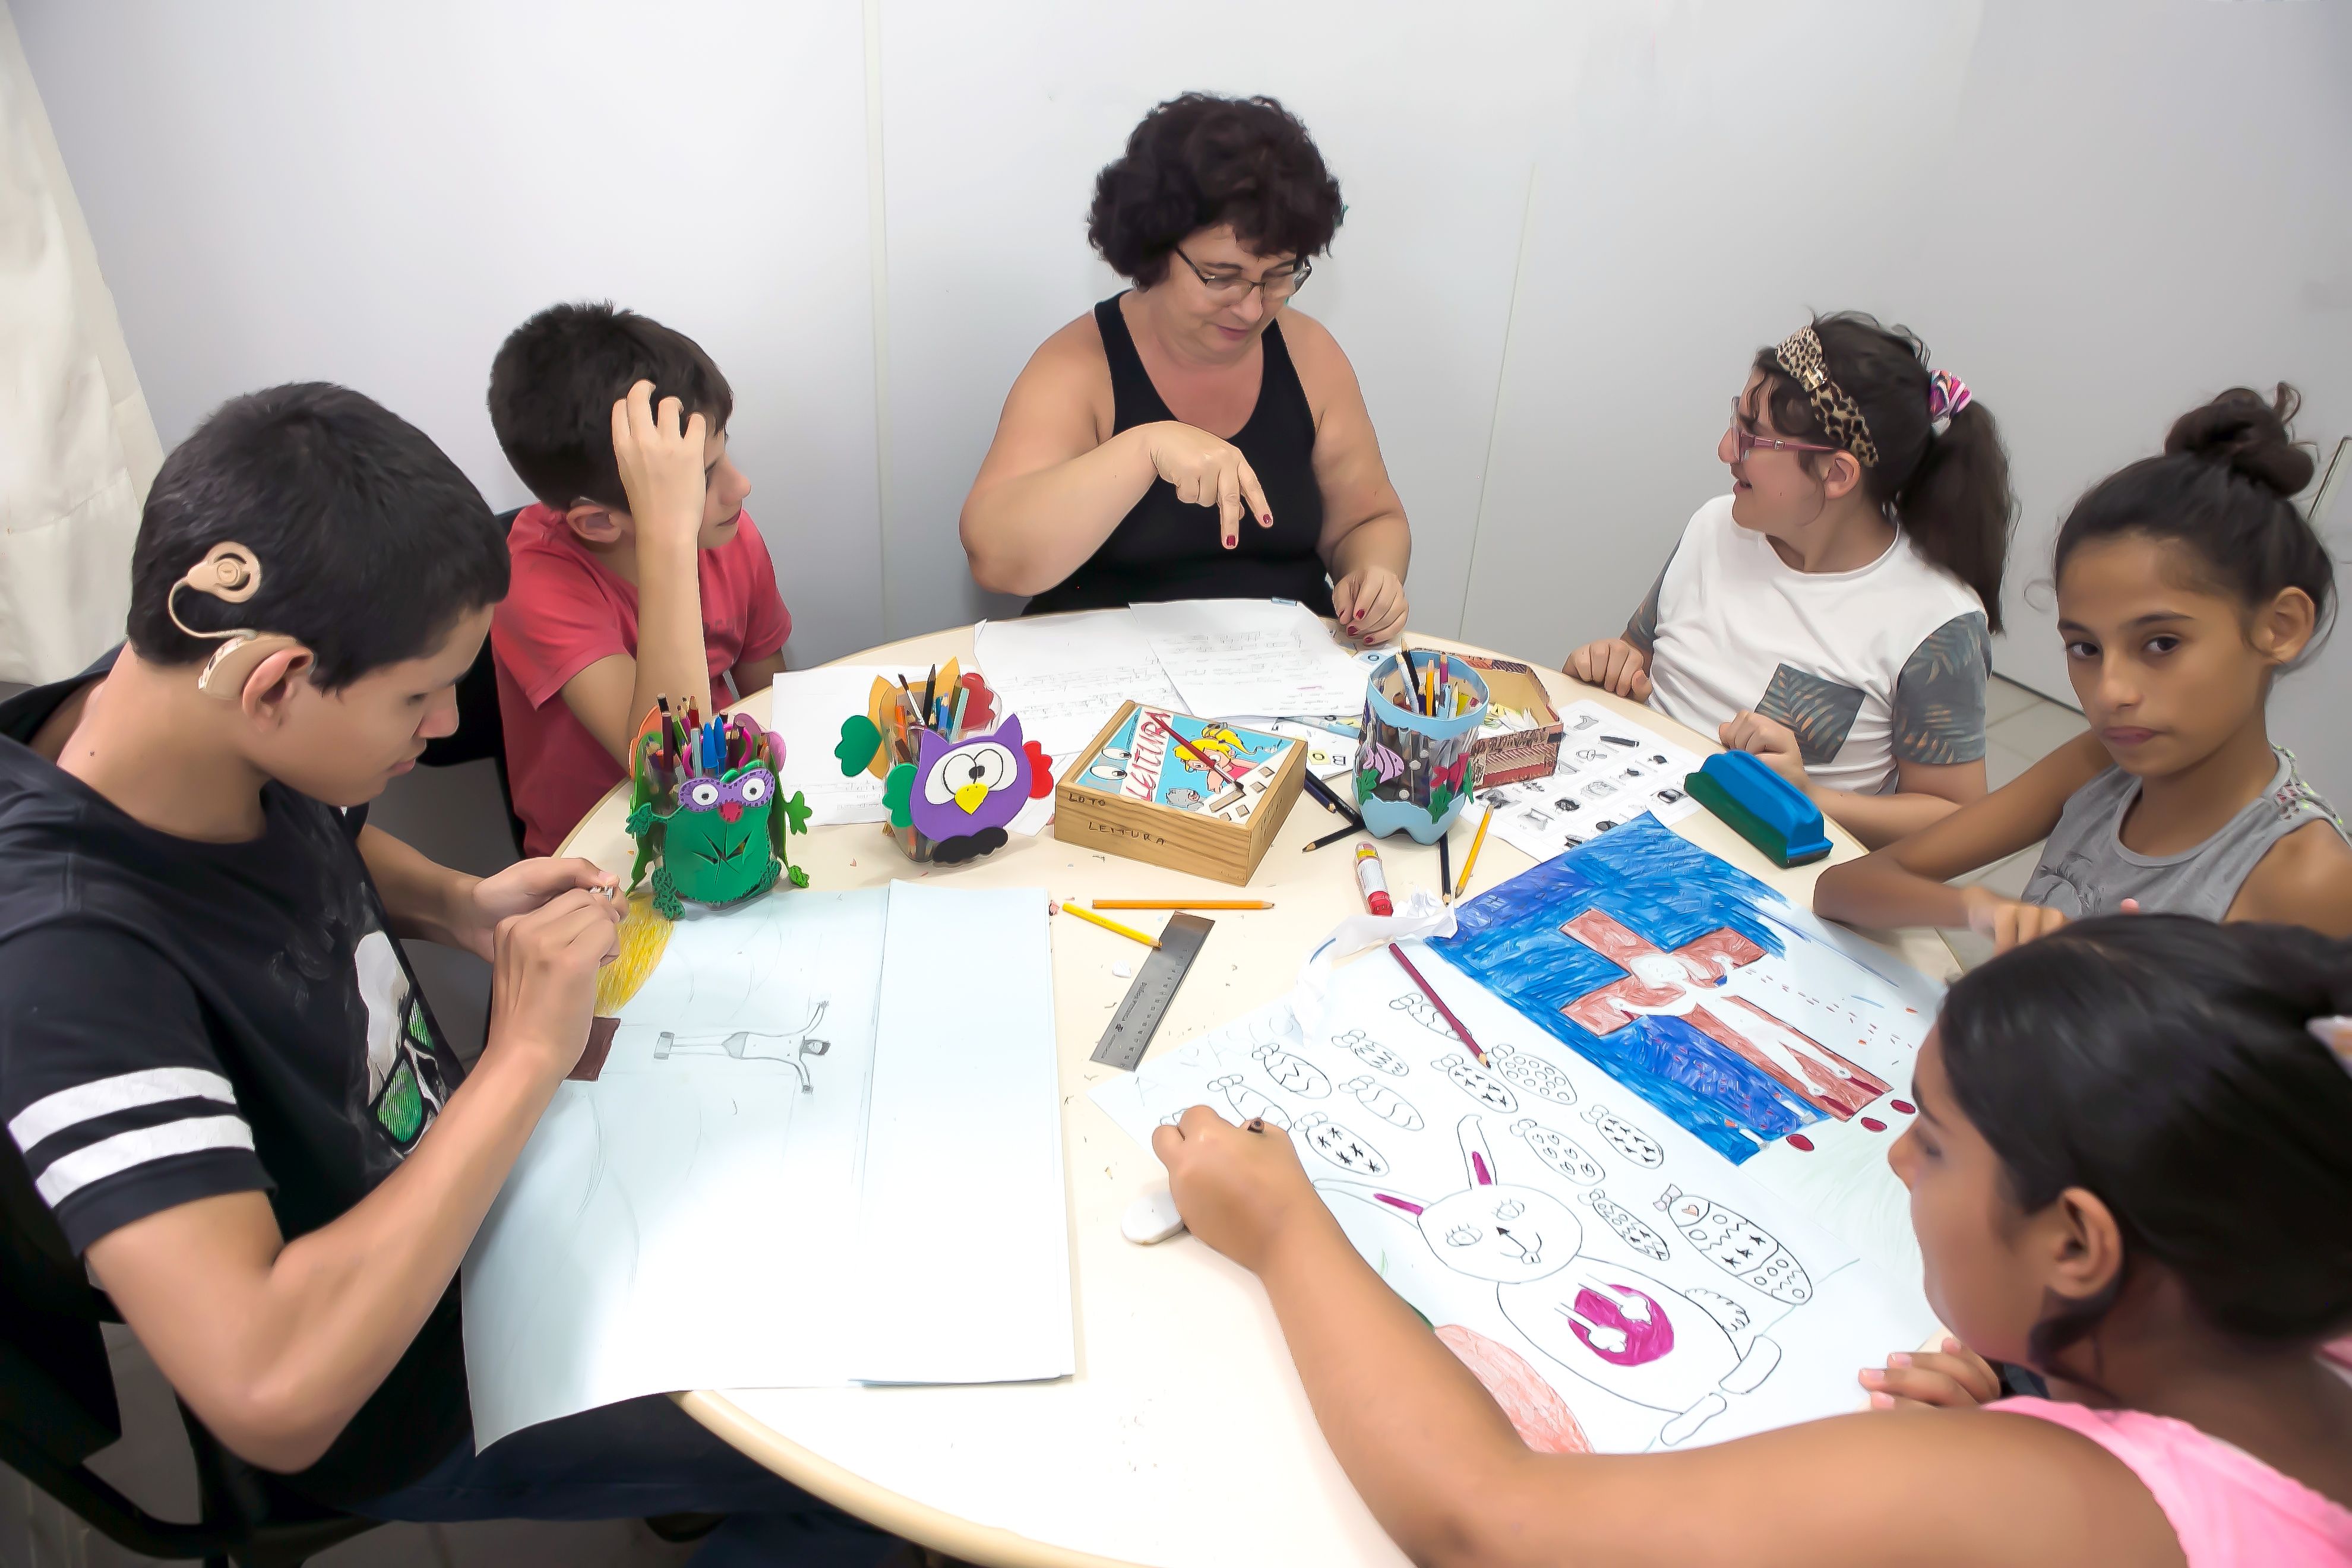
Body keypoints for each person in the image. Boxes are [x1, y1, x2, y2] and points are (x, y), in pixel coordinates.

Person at [0, 385, 892, 1564]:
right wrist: (521, 1059)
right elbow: (270, 1388)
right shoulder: (63, 962)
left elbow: (298, 838)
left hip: (482, 1193)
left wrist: (453, 902)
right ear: (275, 685)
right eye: (418, 699)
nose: (435, 732)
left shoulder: (177, 694)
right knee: (860, 1451)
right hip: (412, 1375)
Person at [1152, 914, 2352, 1566]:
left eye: (1930, 1140)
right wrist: (2042, 1387)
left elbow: (1486, 1523)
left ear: (2079, 1249)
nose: (1895, 1159)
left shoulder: (2056, 1507)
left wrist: (1284, 1226)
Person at [1814, 385, 2352, 952]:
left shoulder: (2307, 877)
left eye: (2162, 643)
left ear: (2281, 627)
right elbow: (1844, 888)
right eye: (2085, 649)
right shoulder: (2101, 765)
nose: (2111, 693)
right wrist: (1977, 908)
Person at [960, 93, 1412, 642]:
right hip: (1108, 682)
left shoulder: (1311, 356)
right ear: (1154, 250)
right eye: (1221, 276)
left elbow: (1368, 522)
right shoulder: (1079, 367)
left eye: (1279, 276)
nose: (1252, 307)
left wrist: (1374, 574)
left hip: (1280, 680)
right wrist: (1145, 447)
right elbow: (995, 557)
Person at [1566, 313, 2016, 847]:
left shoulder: (1936, 620)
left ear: (1838, 474)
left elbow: (1957, 819)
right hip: (1622, 819)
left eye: (1752, 436)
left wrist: (1809, 796)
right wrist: (1610, 666)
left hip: (1763, 876)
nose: (1725, 450)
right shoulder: (1715, 526)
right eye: (1738, 419)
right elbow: (1635, 657)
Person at [488, 302, 791, 857]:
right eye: (699, 478)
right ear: (600, 521)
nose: (739, 487)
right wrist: (670, 537)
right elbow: (674, 770)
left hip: (728, 820)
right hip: (604, 867)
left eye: (723, 456)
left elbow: (770, 701)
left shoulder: (725, 533)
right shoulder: (530, 584)